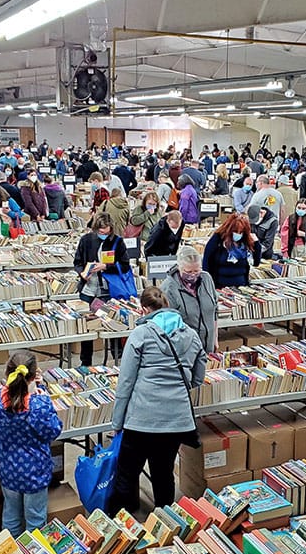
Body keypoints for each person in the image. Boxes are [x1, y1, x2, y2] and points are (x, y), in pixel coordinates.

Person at [107, 287, 206, 515]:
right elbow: (198, 377)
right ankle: (166, 522)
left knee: (127, 474)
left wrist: (117, 422)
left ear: (144, 309)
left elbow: (126, 383)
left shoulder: (141, 334)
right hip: (175, 420)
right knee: (163, 474)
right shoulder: (191, 335)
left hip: (141, 418)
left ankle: (121, 525)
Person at [0, 351, 62, 536]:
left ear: (8, 373)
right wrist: (41, 390)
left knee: (10, 517)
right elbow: (53, 430)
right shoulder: (39, 405)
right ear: (32, 376)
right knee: (35, 521)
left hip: (8, 470)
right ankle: (33, 553)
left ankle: (9, 551)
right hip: (35, 474)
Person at [73, 213, 132, 365]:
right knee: (89, 326)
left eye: (106, 230)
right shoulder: (86, 240)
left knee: (111, 323)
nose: (103, 233)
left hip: (109, 292)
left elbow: (125, 265)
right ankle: (86, 362)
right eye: (100, 231)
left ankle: (118, 360)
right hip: (89, 291)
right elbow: (77, 262)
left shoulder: (117, 242)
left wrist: (105, 266)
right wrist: (82, 273)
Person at [161, 246, 219, 353]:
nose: (193, 275)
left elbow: (215, 309)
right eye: (188, 271)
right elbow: (168, 324)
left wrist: (215, 337)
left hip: (208, 345)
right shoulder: (169, 288)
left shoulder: (206, 279)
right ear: (179, 267)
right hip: (185, 349)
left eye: (196, 271)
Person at [202, 214, 261, 288]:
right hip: (220, 286)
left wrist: (256, 244)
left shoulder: (244, 243)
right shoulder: (218, 240)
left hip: (241, 286)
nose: (238, 234)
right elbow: (206, 260)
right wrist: (208, 284)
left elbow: (256, 263)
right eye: (235, 231)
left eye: (241, 232)